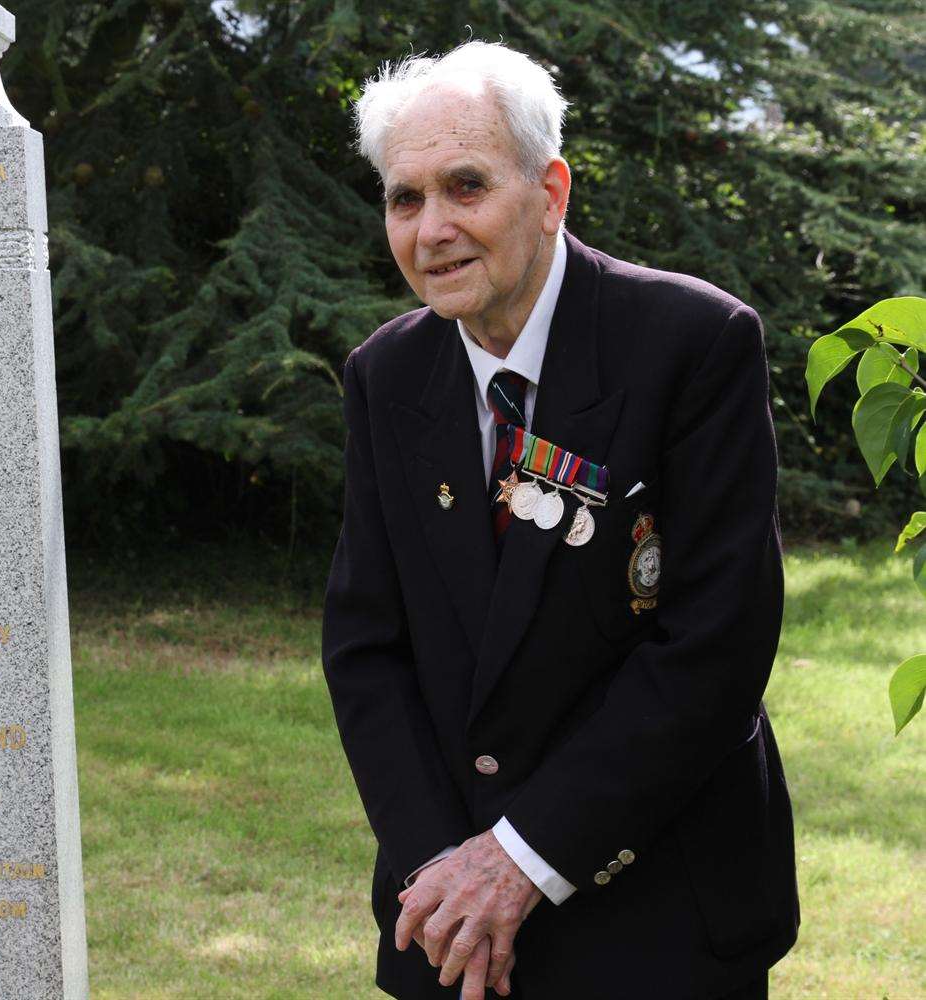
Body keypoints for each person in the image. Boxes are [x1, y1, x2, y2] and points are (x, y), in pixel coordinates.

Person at [320, 40, 799, 1000]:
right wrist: (438, 871)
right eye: (404, 199)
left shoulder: (693, 345)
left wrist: (522, 859)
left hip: (657, 916)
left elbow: (715, 647)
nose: (433, 229)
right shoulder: (388, 374)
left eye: (465, 186)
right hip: (452, 928)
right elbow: (367, 646)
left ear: (550, 193)